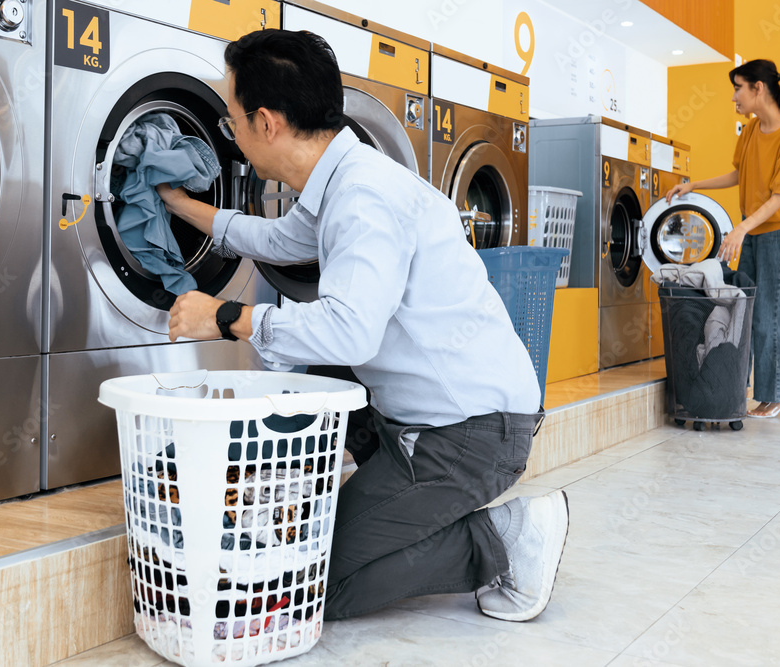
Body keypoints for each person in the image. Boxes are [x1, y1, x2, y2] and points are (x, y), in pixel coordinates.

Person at [155, 29, 569, 622]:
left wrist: (225, 317)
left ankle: (504, 538)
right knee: (313, 371)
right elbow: (275, 240)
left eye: (232, 121)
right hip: (433, 416)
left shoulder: (363, 197)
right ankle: (332, 505)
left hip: (470, 437)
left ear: (267, 123)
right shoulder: (340, 177)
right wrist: (181, 206)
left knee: (313, 589)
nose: (233, 135)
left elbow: (351, 332)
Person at [666, 59, 780, 419]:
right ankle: (746, 390)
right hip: (754, 231)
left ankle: (779, 395)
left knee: (772, 315)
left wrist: (741, 228)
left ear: (758, 88)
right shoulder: (750, 131)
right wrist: (693, 185)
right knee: (742, 310)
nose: (734, 97)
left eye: (738, 88)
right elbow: (737, 173)